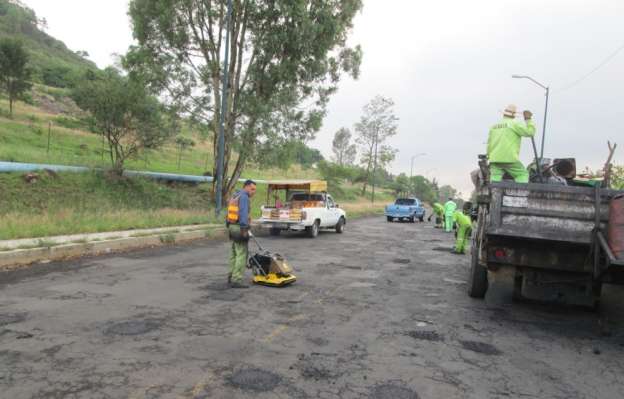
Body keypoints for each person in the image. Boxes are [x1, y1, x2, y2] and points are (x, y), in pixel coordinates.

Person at [487, 104, 536, 183]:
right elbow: (530, 132)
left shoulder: (494, 126)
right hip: (509, 158)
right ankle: (520, 193)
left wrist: (488, 156)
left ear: (503, 114)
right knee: (522, 174)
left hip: (494, 158)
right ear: (514, 115)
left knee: (495, 179)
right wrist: (528, 120)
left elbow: (489, 143)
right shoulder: (514, 124)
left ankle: (494, 194)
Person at [226, 180, 257, 288]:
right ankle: (237, 279)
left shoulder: (235, 195)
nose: (254, 192)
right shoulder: (244, 197)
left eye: (255, 190)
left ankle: (231, 275)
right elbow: (243, 214)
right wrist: (244, 229)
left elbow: (229, 212)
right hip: (239, 227)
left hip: (232, 226)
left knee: (234, 253)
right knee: (242, 254)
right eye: (252, 189)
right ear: (246, 187)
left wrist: (229, 226)